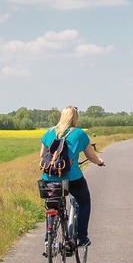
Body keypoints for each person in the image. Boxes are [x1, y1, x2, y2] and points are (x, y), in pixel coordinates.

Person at [40, 105, 104, 250]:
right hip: (71, 178)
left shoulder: (49, 132)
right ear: (75, 118)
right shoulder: (79, 133)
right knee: (84, 202)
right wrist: (99, 162)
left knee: (52, 204)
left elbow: (42, 156)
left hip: (48, 178)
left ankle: (48, 238)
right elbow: (91, 156)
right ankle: (81, 237)